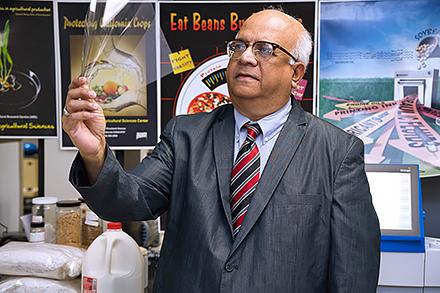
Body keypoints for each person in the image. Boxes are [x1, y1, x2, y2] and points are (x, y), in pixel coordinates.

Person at [63, 8, 380, 293]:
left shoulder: (337, 152)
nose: (246, 57)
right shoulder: (186, 134)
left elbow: (353, 270)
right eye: (239, 46)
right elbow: (130, 201)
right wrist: (95, 153)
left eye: (265, 49)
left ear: (296, 72)